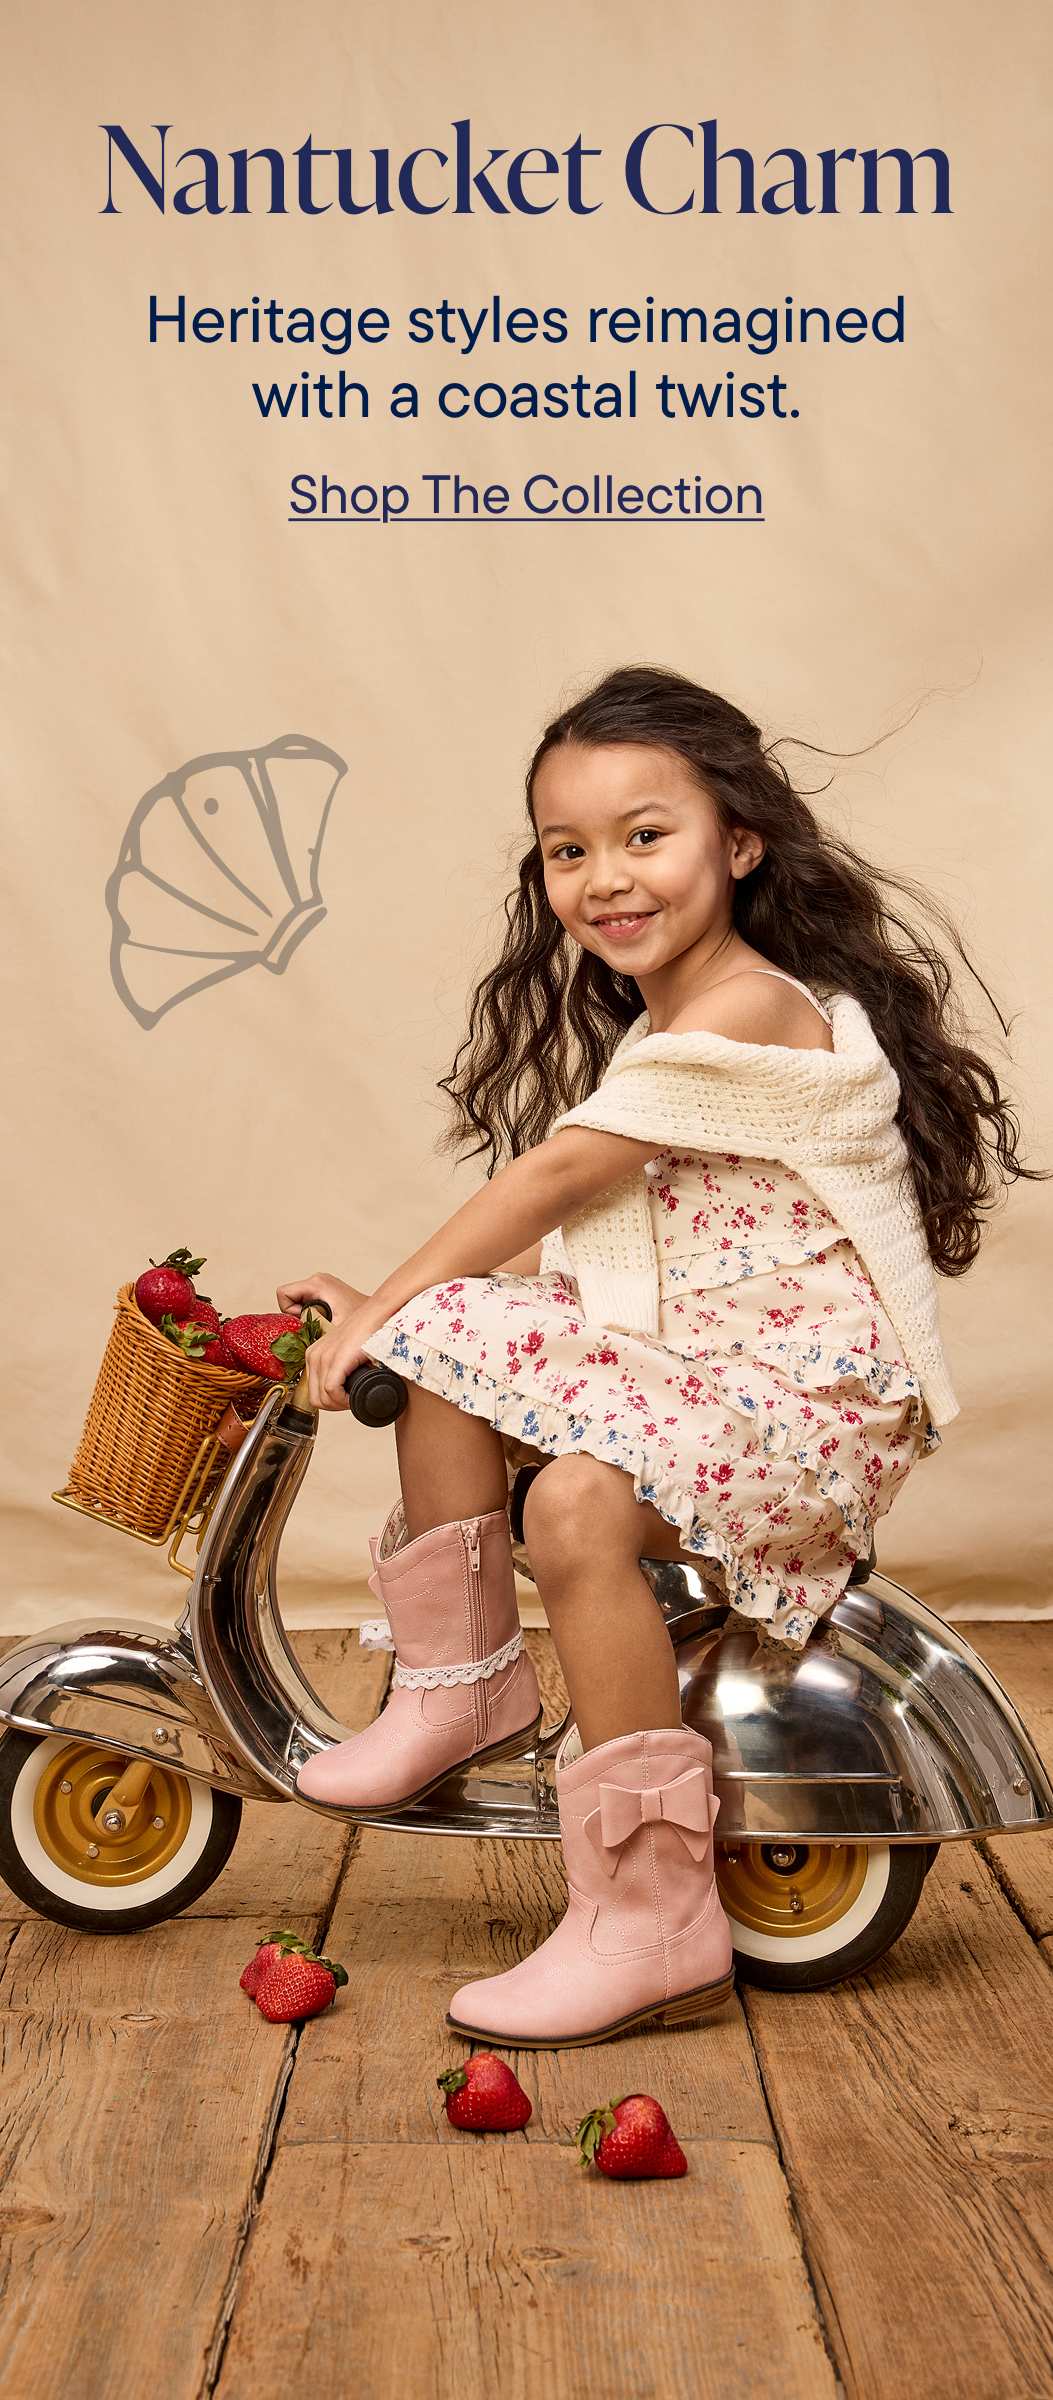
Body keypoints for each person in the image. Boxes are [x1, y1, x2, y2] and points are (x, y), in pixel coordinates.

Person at [281, 662, 1044, 2050]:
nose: (605, 878)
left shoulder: (745, 1009)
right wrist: (393, 1311)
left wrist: (379, 1313)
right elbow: (613, 1257)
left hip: (804, 1416)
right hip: (711, 1385)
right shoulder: (675, 1026)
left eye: (646, 835)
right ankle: (461, 1691)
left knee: (522, 1435)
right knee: (468, 1361)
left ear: (737, 843)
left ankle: (645, 1917)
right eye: (568, 850)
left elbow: (553, 1183)